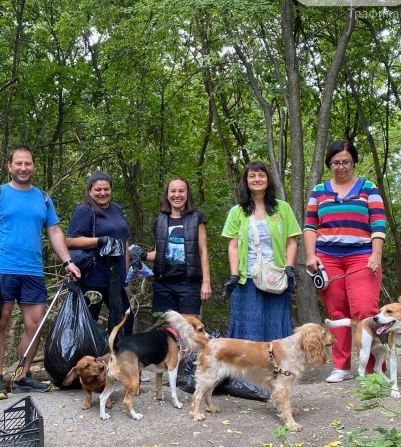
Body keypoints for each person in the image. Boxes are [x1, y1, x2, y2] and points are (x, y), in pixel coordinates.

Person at [0, 145, 80, 400]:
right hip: (1, 268)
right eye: (18, 163)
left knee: (35, 323)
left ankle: (22, 376)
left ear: (33, 166)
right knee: (0, 323)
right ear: (9, 166)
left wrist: (67, 262)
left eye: (27, 164)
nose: (23, 168)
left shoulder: (43, 198)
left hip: (32, 272)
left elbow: (54, 231)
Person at [303, 140, 386, 383]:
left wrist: (376, 254)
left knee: (365, 312)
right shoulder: (319, 192)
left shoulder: (368, 188)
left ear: (353, 162)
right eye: (336, 162)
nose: (341, 166)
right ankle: (342, 367)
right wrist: (311, 255)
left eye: (346, 162)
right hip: (328, 258)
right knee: (336, 313)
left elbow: (378, 224)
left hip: (362, 257)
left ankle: (372, 368)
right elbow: (310, 226)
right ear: (329, 163)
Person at [222, 161, 301, 341]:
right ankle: (247, 368)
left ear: (268, 179)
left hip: (277, 276)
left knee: (276, 324)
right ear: (246, 181)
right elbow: (233, 245)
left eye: (261, 175)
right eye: (252, 175)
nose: (257, 179)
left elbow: (292, 241)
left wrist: (289, 267)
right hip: (246, 278)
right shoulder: (237, 212)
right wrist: (234, 275)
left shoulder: (283, 208)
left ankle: (276, 368)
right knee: (248, 325)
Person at [65, 172, 134, 338]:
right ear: (90, 191)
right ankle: (84, 363)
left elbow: (123, 239)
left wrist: (124, 271)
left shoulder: (116, 209)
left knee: (125, 318)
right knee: (87, 322)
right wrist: (99, 241)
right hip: (93, 277)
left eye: (106, 189)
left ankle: (119, 359)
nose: (102, 193)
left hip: (114, 277)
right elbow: (70, 241)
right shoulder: (84, 210)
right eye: (98, 190)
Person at [146, 178, 212, 320]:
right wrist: (141, 255)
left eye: (181, 191)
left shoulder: (196, 218)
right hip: (164, 283)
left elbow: (203, 251)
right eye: (173, 191)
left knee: (189, 330)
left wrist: (206, 282)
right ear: (167, 194)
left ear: (187, 194)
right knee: (172, 331)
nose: (177, 195)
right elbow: (159, 253)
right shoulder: (160, 220)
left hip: (189, 282)